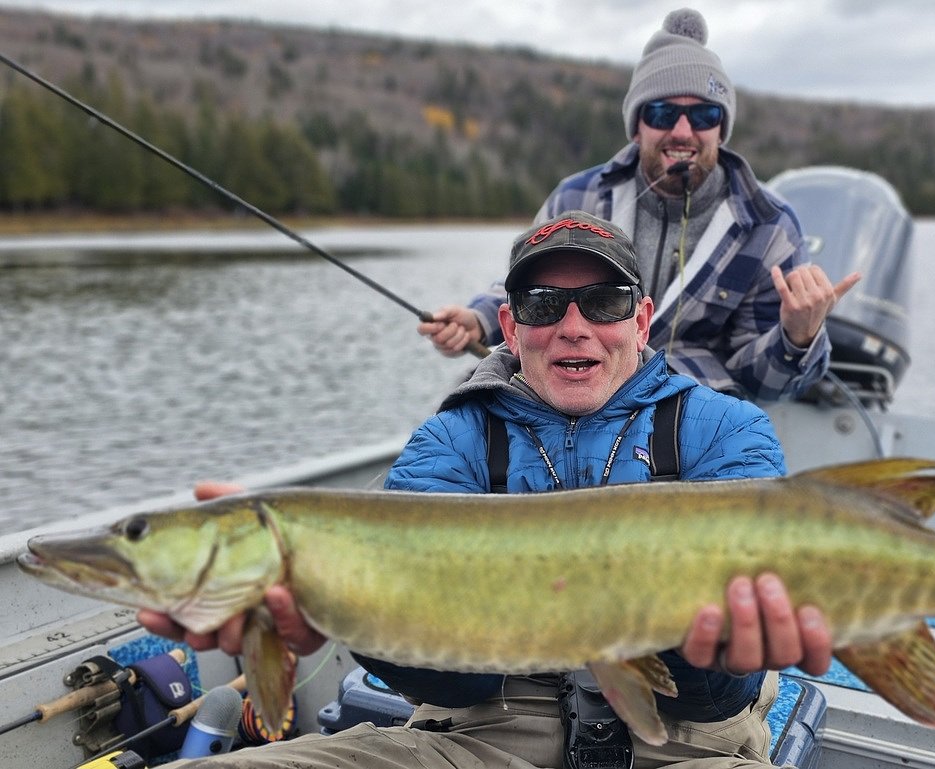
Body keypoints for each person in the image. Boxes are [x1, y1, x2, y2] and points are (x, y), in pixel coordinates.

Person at [139, 210, 833, 768]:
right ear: (510, 324)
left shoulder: (726, 429)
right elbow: (449, 680)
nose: (573, 324)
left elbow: (722, 696)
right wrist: (349, 610)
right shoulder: (452, 439)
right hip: (479, 737)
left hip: (684, 744)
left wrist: (696, 645)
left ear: (641, 319)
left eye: (604, 300)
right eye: (543, 302)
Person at [420, 8, 860, 402]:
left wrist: (797, 335)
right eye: (663, 114)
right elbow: (532, 291)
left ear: (721, 128)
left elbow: (767, 382)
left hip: (693, 424)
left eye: (704, 115)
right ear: (637, 126)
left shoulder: (770, 226)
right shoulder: (577, 197)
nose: (683, 131)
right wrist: (477, 319)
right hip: (576, 404)